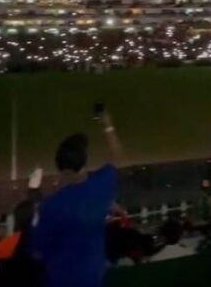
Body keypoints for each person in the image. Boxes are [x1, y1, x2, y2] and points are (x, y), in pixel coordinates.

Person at [31, 109, 123, 287]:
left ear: (60, 167)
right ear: (85, 160)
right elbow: (116, 156)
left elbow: (37, 251)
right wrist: (107, 125)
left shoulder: (51, 207)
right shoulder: (102, 185)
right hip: (93, 280)